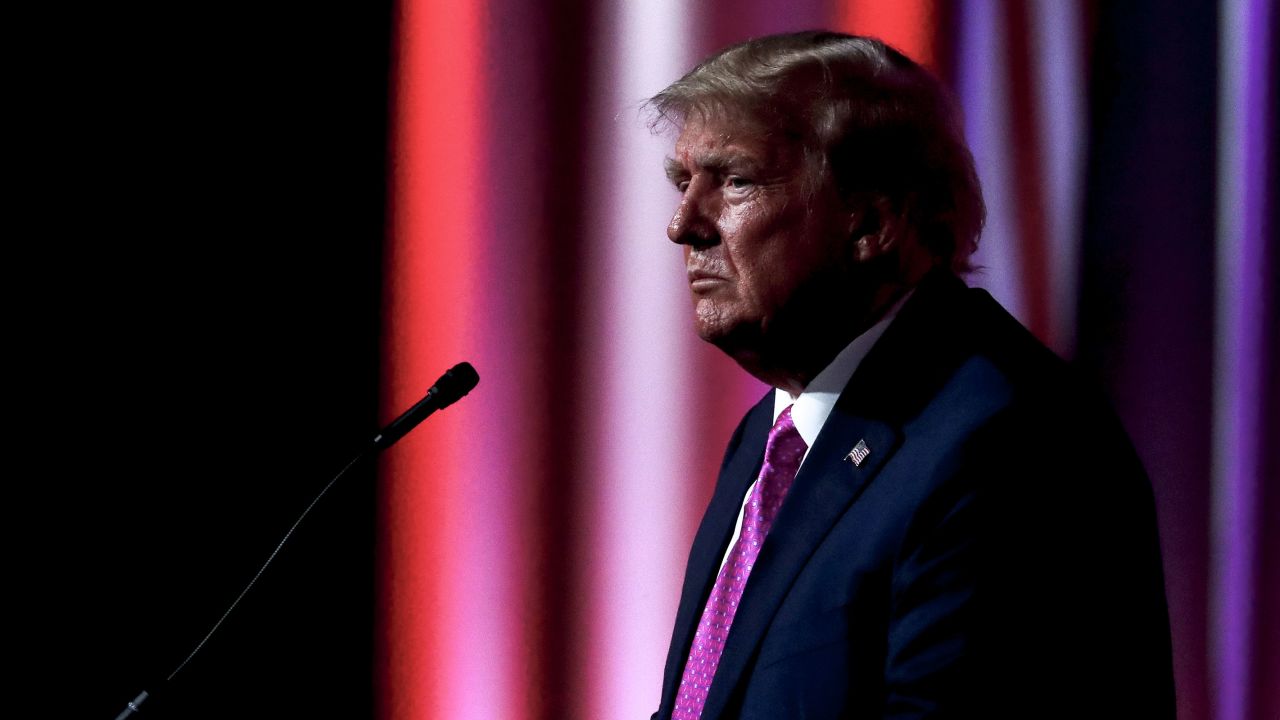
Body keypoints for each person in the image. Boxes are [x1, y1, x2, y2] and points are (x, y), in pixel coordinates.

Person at [648, 32, 1174, 719]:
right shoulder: (773, 433)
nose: (684, 225)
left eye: (737, 180)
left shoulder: (1006, 441)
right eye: (685, 183)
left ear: (872, 219)